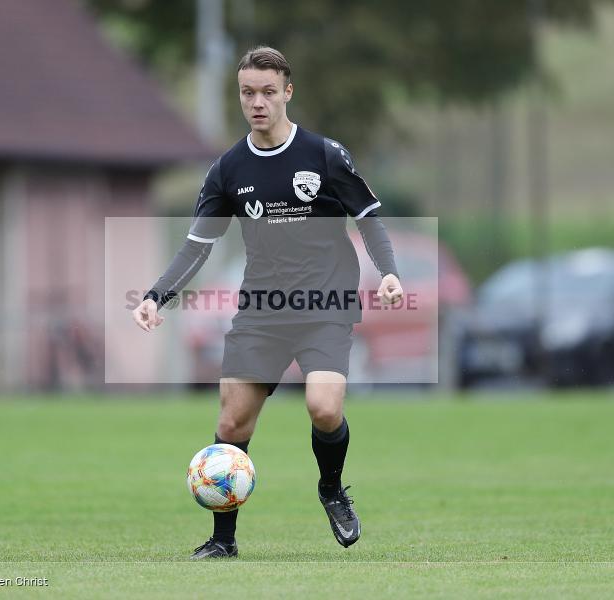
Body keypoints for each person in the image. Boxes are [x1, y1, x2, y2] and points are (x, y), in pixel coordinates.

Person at [132, 46, 403, 559]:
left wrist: (389, 272)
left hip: (325, 304)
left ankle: (330, 490)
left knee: (324, 409)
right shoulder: (228, 169)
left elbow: (368, 217)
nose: (257, 102)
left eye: (267, 92)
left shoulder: (324, 155)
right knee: (233, 424)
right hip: (263, 312)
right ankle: (223, 541)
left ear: (287, 93)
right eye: (247, 93)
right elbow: (198, 246)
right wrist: (155, 297)